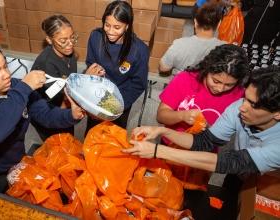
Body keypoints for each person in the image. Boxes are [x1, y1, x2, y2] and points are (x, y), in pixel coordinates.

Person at [123, 66, 280, 219]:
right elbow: (205, 142)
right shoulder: (239, 107)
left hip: (270, 185)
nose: (242, 107)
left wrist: (158, 151)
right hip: (240, 175)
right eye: (245, 98)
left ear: (277, 114)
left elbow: (227, 162)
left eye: (253, 104)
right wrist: (163, 131)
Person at [0, 42, 85, 193]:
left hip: (16, 160)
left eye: (5, 66)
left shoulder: (16, 88)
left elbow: (44, 114)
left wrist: (70, 115)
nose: (6, 75)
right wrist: (23, 89)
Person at [158, 44, 249, 146]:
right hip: (170, 145)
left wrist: (210, 130)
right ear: (207, 69)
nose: (220, 89)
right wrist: (182, 116)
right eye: (216, 81)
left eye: (229, 85)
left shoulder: (240, 95)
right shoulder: (186, 80)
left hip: (204, 153)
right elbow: (161, 116)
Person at [30, 15, 103, 140]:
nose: (70, 44)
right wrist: (85, 79)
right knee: (58, 148)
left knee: (69, 140)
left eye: (72, 37)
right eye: (63, 41)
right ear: (49, 39)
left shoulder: (69, 53)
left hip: (63, 106)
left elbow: (69, 82)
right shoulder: (46, 65)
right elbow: (62, 102)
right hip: (49, 113)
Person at [85, 1, 149, 131]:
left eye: (117, 27)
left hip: (120, 99)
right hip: (97, 94)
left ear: (127, 26)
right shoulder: (95, 37)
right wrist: (91, 73)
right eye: (107, 25)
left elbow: (137, 84)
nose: (110, 31)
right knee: (92, 134)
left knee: (113, 141)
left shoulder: (139, 50)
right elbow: (90, 62)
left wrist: (110, 106)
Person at [160, 2, 225, 75]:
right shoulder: (225, 49)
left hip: (182, 85)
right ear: (219, 24)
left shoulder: (179, 44)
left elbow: (163, 68)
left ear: (195, 22)